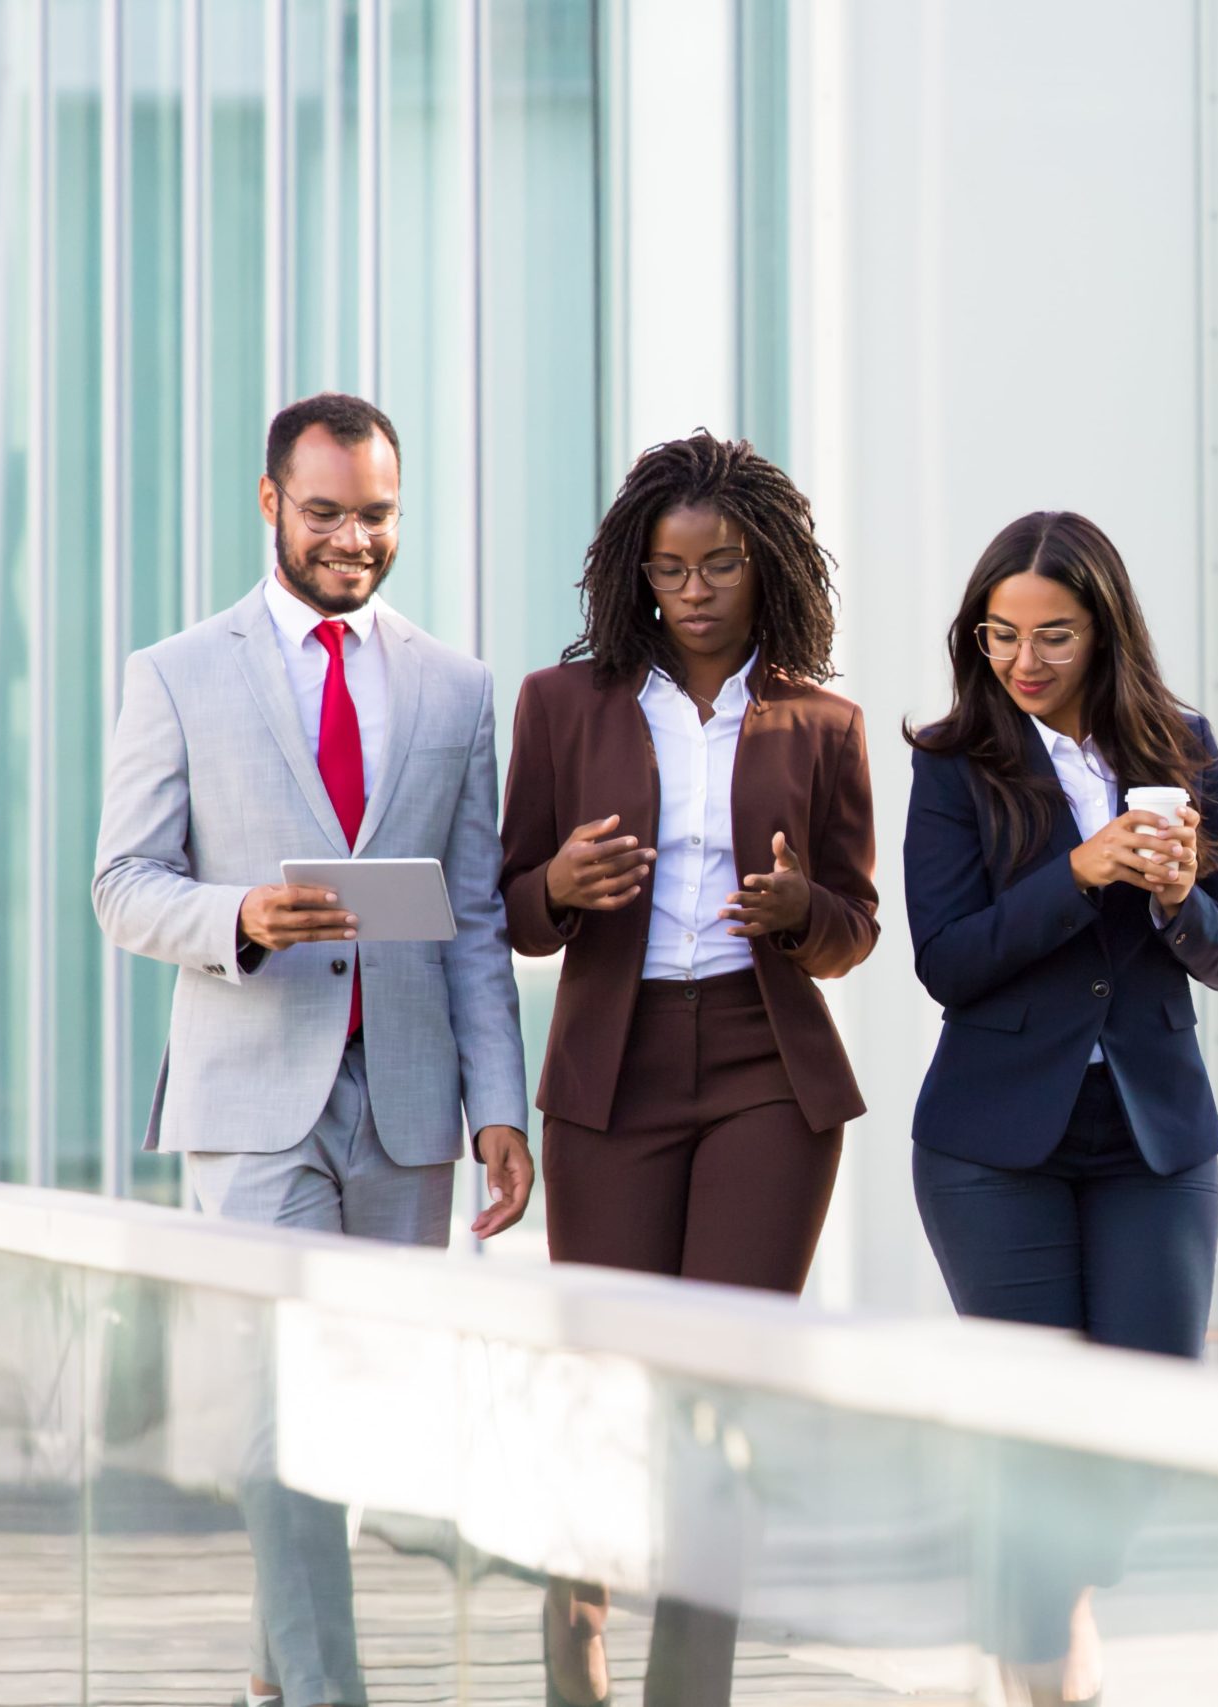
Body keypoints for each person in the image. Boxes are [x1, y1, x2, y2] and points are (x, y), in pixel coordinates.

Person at [92, 391, 533, 1707]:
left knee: (361, 1422)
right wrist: (236, 915)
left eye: (377, 513)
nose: (353, 537)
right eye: (328, 510)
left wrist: (501, 1106)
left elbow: (471, 925)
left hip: (407, 1109)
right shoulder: (176, 672)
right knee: (284, 1422)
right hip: (252, 1100)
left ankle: (276, 1672)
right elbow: (120, 882)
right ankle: (327, 1690)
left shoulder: (456, 686)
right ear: (273, 504)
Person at [498, 430, 881, 1707]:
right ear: (636, 574)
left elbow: (856, 928)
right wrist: (557, 884)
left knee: (721, 1398)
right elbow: (511, 905)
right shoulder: (564, 706)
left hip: (769, 1074)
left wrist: (796, 908)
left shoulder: (824, 723)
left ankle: (691, 1690)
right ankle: (578, 1637)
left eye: (721, 564)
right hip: (614, 1069)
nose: (696, 589)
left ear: (766, 566)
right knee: (605, 1381)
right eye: (670, 568)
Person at [903, 510, 1218, 1706]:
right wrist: (1080, 872)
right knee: (1034, 1437)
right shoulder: (956, 762)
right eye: (1001, 635)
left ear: (1104, 628)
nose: (1025, 661)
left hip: (1152, 1141)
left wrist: (1172, 898)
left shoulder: (1185, 747)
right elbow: (947, 961)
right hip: (994, 1148)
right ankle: (1051, 1681)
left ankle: (1034, 1605)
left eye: (1052, 635)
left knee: (1141, 1428)